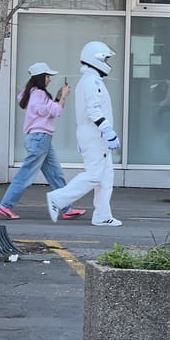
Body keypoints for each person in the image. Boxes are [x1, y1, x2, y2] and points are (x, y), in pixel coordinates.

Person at [0, 62, 85, 221]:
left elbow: (46, 110)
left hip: (42, 140)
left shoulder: (32, 93)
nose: (49, 80)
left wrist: (57, 98)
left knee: (56, 174)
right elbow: (55, 111)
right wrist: (63, 97)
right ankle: (5, 205)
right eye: (48, 76)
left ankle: (67, 208)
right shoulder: (39, 95)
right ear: (40, 77)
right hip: (40, 139)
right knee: (25, 175)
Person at [46, 41, 122, 227]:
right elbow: (93, 110)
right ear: (96, 60)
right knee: (95, 175)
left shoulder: (90, 81)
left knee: (106, 176)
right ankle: (58, 198)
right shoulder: (91, 82)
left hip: (94, 134)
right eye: (105, 58)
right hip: (95, 134)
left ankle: (102, 215)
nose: (108, 62)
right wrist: (107, 130)